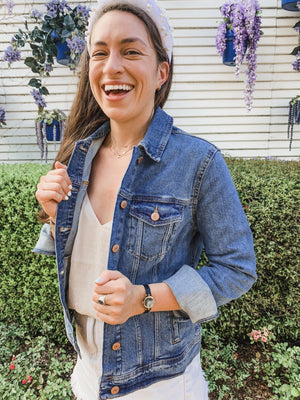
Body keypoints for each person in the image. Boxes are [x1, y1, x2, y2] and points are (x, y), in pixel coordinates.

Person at [34, 1, 257, 399]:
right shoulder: (75, 158)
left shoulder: (199, 162)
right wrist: (55, 219)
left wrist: (145, 298)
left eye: (131, 51)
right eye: (99, 53)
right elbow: (87, 255)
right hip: (88, 375)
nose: (111, 66)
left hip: (162, 383)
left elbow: (237, 268)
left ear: (161, 72)